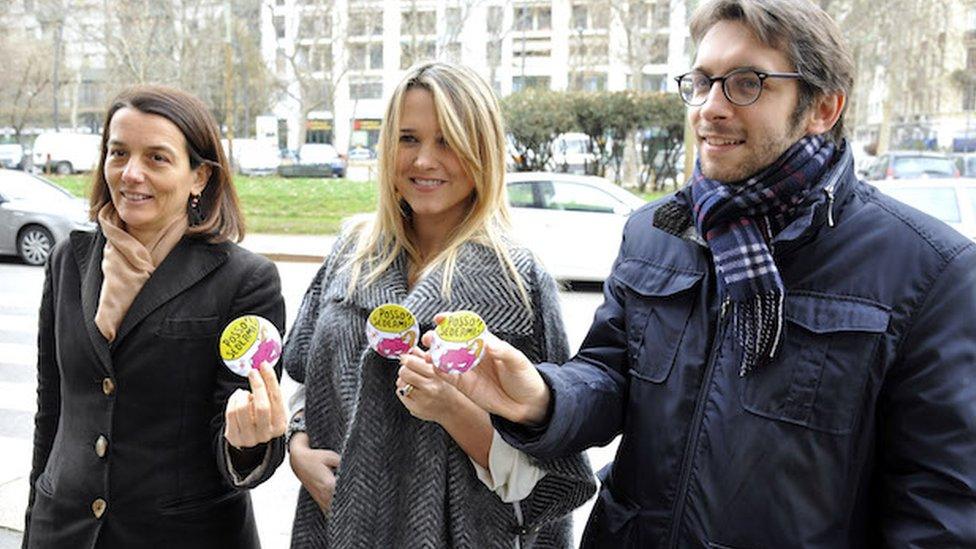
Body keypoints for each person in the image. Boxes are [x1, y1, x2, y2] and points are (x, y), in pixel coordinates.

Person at [439, 0, 976, 546]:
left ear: (824, 108)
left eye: (746, 83)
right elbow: (611, 378)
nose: (709, 108)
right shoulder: (657, 230)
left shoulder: (931, 272)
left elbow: (939, 509)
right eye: (701, 82)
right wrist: (541, 397)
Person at [283, 61, 595, 548]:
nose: (425, 160)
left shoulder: (520, 281)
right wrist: (297, 445)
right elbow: (303, 378)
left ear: (482, 150)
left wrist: (453, 410)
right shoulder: (350, 251)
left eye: (447, 139)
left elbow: (555, 481)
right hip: (333, 531)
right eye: (408, 139)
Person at [24, 85, 288, 548]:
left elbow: (239, 441)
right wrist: (35, 522)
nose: (131, 174)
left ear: (200, 177)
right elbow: (54, 411)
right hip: (62, 531)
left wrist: (246, 442)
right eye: (118, 153)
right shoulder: (70, 258)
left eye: (157, 158)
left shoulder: (245, 280)